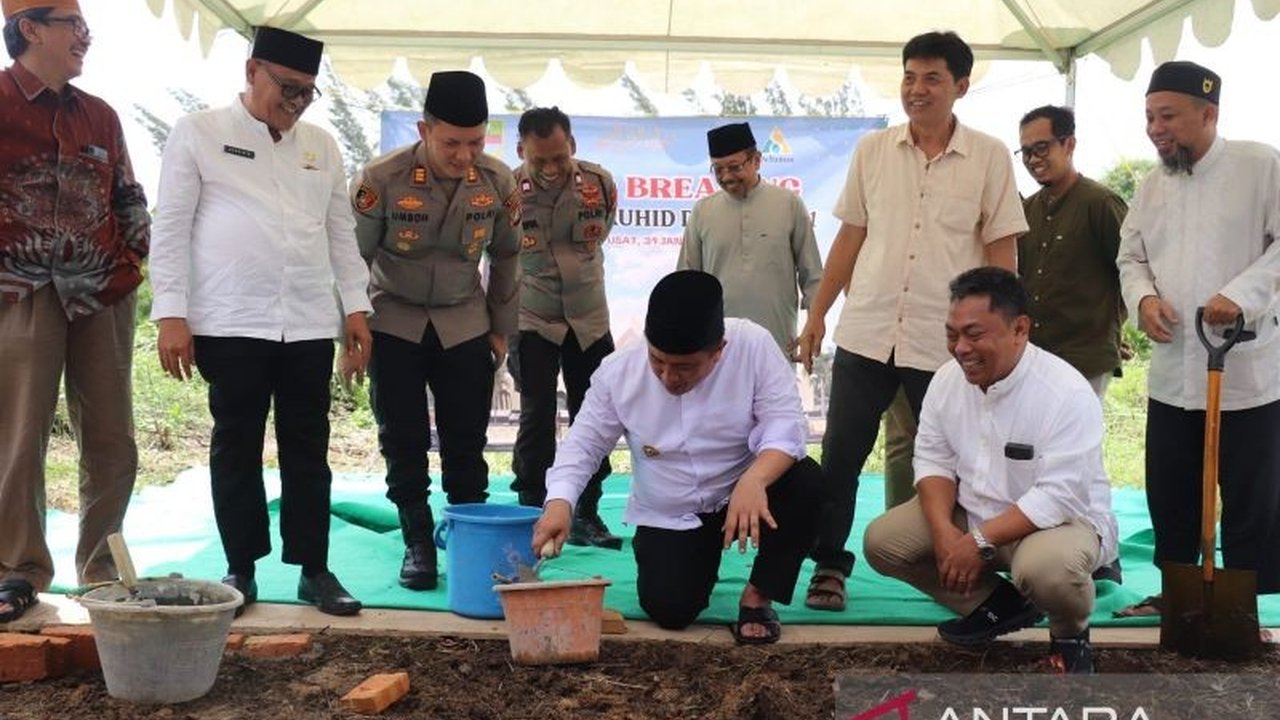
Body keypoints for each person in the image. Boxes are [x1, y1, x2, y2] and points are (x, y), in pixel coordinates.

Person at [795, 30, 1027, 612]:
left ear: (960, 87)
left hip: (947, 346)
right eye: (909, 76)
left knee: (967, 461)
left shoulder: (991, 156)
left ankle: (980, 564)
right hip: (868, 332)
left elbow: (1003, 249)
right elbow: (850, 236)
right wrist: (818, 312)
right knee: (841, 457)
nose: (916, 89)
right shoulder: (873, 151)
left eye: (931, 78)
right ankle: (829, 566)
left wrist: (1004, 333)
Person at [149, 26, 371, 617]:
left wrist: (355, 306)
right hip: (230, 319)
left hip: (304, 321)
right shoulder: (198, 133)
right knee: (236, 443)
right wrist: (171, 313)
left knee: (309, 445)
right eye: (287, 88)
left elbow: (340, 234)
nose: (296, 104)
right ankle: (240, 568)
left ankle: (314, 570)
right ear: (252, 72)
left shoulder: (321, 145)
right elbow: (170, 227)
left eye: (307, 93)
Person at [532, 270, 822, 645]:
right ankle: (690, 561)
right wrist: (560, 503)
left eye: (685, 367)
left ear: (719, 351)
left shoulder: (753, 347)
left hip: (745, 493)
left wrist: (755, 480)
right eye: (658, 362)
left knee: (807, 482)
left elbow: (787, 427)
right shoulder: (618, 373)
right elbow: (583, 445)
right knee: (670, 609)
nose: (669, 378)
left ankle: (758, 595)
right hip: (672, 508)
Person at [863, 267, 1119, 674]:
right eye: (952, 334)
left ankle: (1070, 635)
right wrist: (945, 532)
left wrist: (976, 541)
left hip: (1056, 525)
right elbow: (932, 460)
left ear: (1020, 329)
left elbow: (1059, 496)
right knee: (883, 542)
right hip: (974, 514)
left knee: (1048, 572)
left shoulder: (1066, 392)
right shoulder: (947, 381)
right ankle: (998, 606)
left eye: (974, 334)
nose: (961, 348)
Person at [0, 0, 150, 623]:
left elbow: (130, 197)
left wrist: (131, 261)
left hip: (101, 295)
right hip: (21, 293)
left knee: (114, 440)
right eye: (74, 25)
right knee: (18, 437)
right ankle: (16, 572)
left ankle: (102, 569)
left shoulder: (102, 115)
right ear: (30, 28)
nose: (86, 37)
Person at [1115, 61, 1280, 618]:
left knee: (1251, 496)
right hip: (1172, 370)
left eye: (1169, 117)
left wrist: (1242, 293)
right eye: (1149, 118)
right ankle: (1177, 596)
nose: (1156, 129)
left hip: (1246, 371)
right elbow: (1130, 255)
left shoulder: (1260, 165)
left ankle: (1245, 607)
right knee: (1170, 490)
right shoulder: (1152, 185)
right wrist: (1142, 299)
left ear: (1209, 113)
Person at [351, 70, 520, 591]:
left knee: (466, 442)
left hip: (463, 321)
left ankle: (468, 541)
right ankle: (418, 541)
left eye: (475, 142)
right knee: (400, 438)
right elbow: (352, 258)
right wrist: (352, 327)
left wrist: (500, 331)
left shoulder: (497, 181)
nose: (464, 155)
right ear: (425, 130)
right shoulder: (382, 178)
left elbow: (508, 257)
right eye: (452, 142)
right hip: (394, 320)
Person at [508, 107, 622, 549]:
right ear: (522, 152)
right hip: (531, 316)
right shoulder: (507, 191)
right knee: (536, 414)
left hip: (589, 318)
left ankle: (586, 512)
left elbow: (602, 235)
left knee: (594, 416)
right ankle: (530, 508)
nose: (553, 169)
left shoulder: (599, 183)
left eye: (560, 157)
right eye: (541, 161)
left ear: (572, 144)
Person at [678, 121, 822, 359]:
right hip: (717, 346)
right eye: (718, 169)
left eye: (734, 167)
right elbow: (687, 281)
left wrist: (814, 323)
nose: (726, 177)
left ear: (757, 160)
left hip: (777, 341)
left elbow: (813, 275)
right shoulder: (703, 211)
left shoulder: (788, 204)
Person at [1016, 105, 1127, 399]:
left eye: (1041, 147)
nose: (1033, 159)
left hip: (1084, 358)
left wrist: (1113, 330)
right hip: (1033, 355)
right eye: (1025, 152)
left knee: (1076, 441)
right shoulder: (1026, 210)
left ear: (1069, 144)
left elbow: (1133, 272)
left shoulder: (1101, 203)